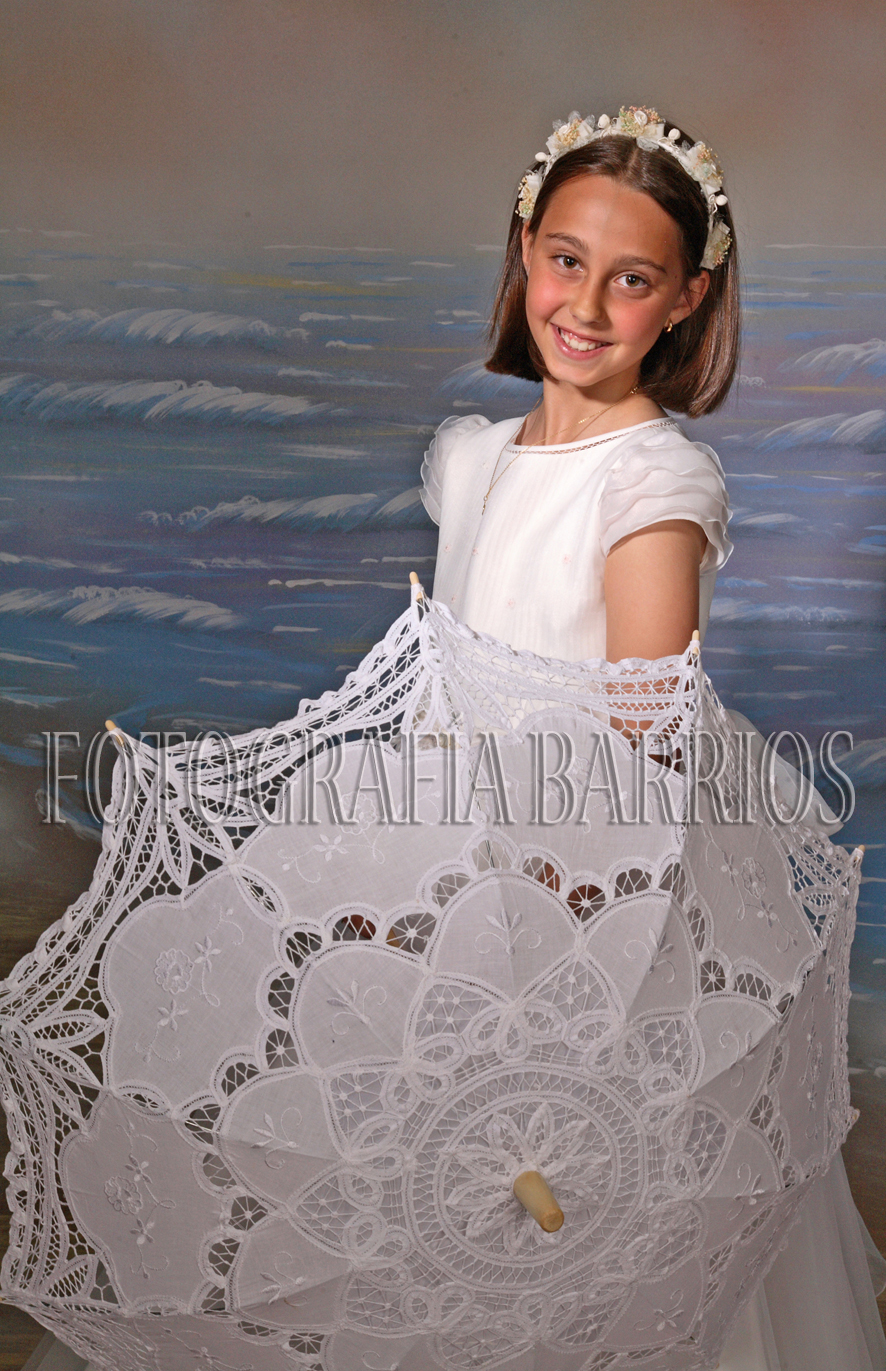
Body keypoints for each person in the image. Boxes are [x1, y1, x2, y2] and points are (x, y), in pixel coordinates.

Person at [420, 107, 886, 1371]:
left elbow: (639, 748)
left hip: (585, 899)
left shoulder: (651, 486)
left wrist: (550, 927)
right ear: (523, 252)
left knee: (585, 1214)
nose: (585, 305)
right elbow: (442, 692)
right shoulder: (470, 461)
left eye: (632, 280)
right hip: (465, 869)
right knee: (458, 1208)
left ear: (685, 300)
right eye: (565, 260)